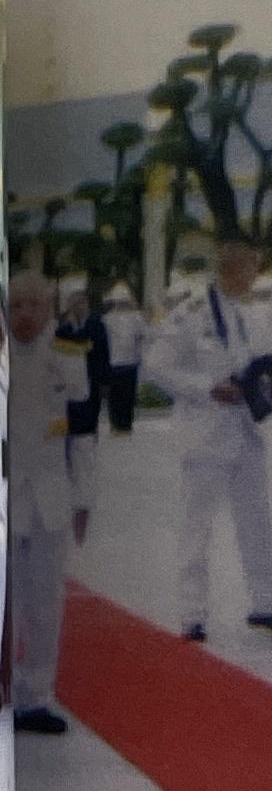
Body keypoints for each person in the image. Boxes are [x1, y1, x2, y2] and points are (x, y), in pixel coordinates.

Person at [142, 237, 272, 641]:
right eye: (247, 267)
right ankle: (192, 613)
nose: (253, 275)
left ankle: (265, 603)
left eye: (255, 266)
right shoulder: (191, 313)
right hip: (206, 433)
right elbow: (156, 367)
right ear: (228, 268)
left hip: (247, 431)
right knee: (197, 528)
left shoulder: (256, 313)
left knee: (257, 522)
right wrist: (206, 387)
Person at [2, 268, 96, 733]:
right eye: (15, 305)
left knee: (44, 602)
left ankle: (37, 697)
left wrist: (85, 499)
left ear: (49, 308)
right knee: (5, 602)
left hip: (51, 497)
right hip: (3, 499)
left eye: (34, 304)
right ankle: (0, 695)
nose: (24, 314)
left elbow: (81, 436)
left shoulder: (69, 357)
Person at [99, 273, 145, 434]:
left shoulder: (136, 318)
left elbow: (141, 336)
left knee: (128, 394)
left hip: (130, 362)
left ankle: (126, 424)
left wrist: (140, 356)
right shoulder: (107, 319)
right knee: (115, 395)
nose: (121, 305)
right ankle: (116, 424)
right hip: (113, 363)